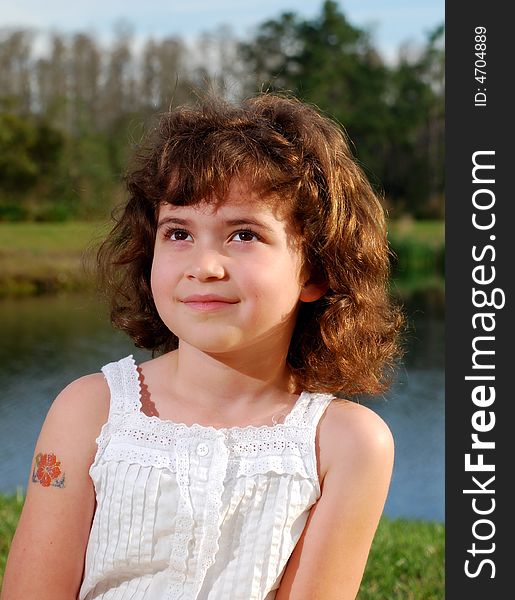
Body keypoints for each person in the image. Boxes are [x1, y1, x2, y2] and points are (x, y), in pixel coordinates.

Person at [1, 93, 403, 600]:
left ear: (316, 270)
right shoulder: (89, 411)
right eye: (178, 233)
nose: (205, 265)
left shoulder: (346, 444)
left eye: (243, 235)